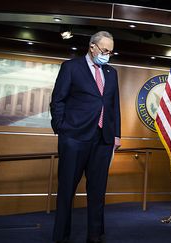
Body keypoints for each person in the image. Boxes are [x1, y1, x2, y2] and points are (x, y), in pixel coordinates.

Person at [50, 31, 121, 243]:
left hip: (102, 140)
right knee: (66, 191)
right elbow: (58, 100)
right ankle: (62, 237)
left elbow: (113, 105)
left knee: (98, 192)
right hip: (74, 138)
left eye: (110, 51)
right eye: (104, 50)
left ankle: (95, 235)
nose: (107, 54)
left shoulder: (111, 73)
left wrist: (116, 134)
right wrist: (62, 128)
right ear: (92, 47)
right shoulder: (71, 67)